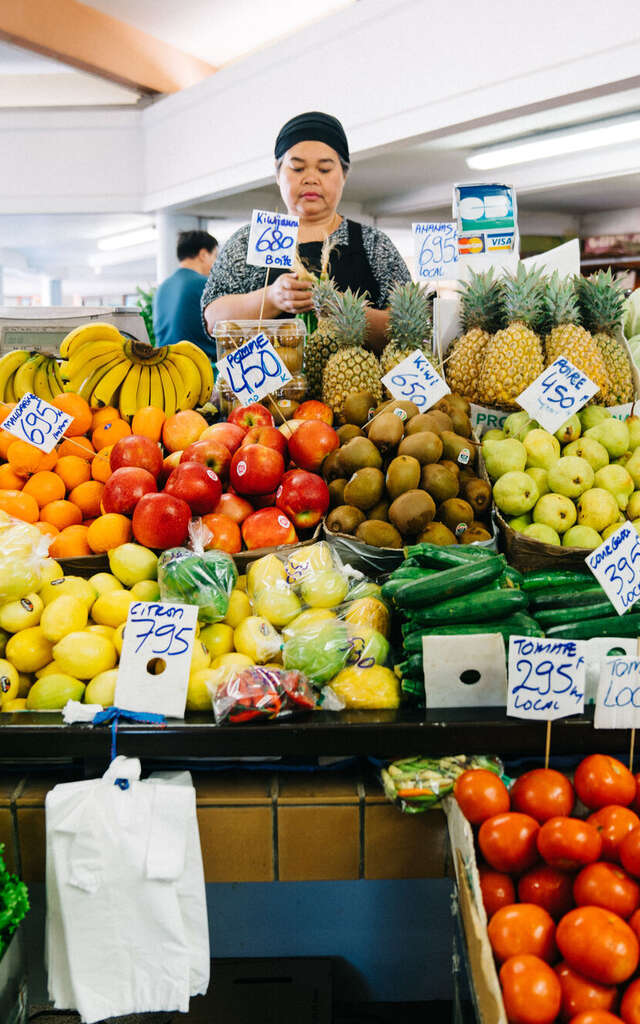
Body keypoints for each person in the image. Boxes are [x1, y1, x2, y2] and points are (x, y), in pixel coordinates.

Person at [202, 112, 410, 352]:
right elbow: (212, 319)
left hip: (357, 389)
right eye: (297, 168)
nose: (311, 179)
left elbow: (405, 328)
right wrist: (271, 298)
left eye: (324, 169)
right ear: (278, 174)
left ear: (344, 175)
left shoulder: (374, 244)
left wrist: (343, 310)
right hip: (266, 388)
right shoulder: (247, 241)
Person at [154, 229, 218, 353]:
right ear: (203, 255)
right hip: (198, 364)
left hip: (166, 364)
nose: (216, 262)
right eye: (215, 256)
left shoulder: (162, 288)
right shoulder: (205, 284)